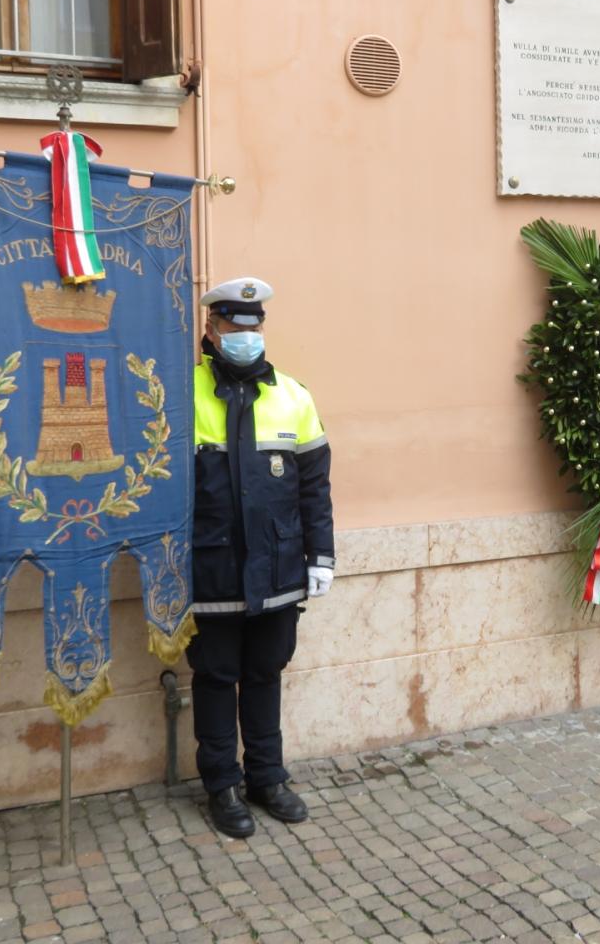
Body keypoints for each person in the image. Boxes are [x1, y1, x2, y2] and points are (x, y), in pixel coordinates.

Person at [188, 276, 335, 837]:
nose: (243, 335)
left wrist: (321, 556)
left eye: (252, 326)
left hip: (277, 568)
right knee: (215, 676)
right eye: (231, 325)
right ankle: (221, 785)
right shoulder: (179, 393)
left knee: (265, 672)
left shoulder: (293, 396)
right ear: (212, 329)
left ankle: (267, 778)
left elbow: (314, 488)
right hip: (210, 569)